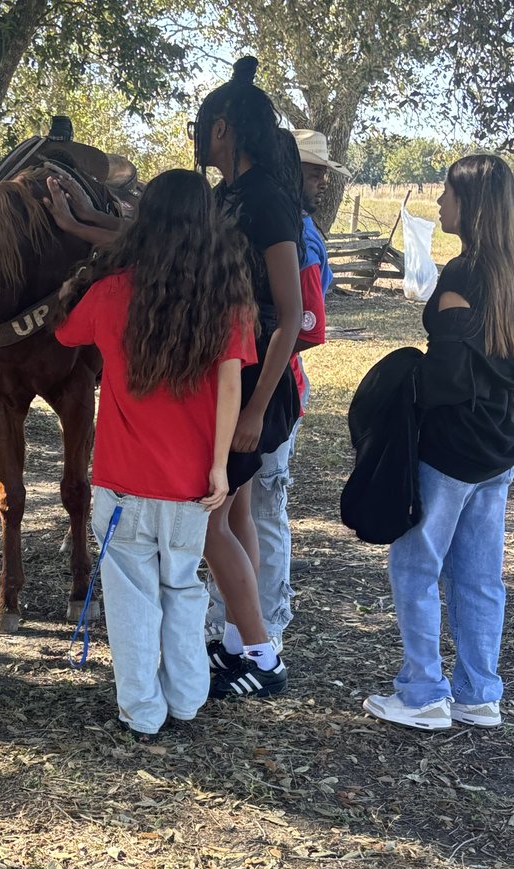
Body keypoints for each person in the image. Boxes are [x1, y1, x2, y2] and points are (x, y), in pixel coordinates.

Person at [53, 170, 257, 739]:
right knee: (184, 588)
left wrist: (92, 262)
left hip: (122, 483)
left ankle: (143, 710)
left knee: (131, 597)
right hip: (193, 482)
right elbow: (232, 389)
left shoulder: (112, 292)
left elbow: (66, 332)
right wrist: (218, 465)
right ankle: (188, 698)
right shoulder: (229, 298)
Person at [364, 154, 514, 730]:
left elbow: (449, 375)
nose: (439, 202)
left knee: (415, 563)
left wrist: (404, 388)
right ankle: (479, 692)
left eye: (448, 193)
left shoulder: (462, 275)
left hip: (451, 446)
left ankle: (423, 690)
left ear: (470, 204)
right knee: (479, 574)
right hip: (499, 446)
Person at [191, 58, 308, 700]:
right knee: (232, 513)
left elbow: (289, 317)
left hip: (259, 381)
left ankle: (263, 655)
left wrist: (257, 411)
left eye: (206, 125)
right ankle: (238, 644)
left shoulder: (266, 199)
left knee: (209, 521)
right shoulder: (222, 197)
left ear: (227, 129)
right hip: (227, 372)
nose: (200, 134)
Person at [204, 127, 336, 656]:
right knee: (243, 514)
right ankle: (240, 634)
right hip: (260, 391)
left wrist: (257, 403)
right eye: (312, 168)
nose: (320, 179)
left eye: (321, 170)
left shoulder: (291, 232)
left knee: (257, 512)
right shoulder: (278, 223)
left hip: (270, 392)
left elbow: (303, 324)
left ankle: (264, 632)